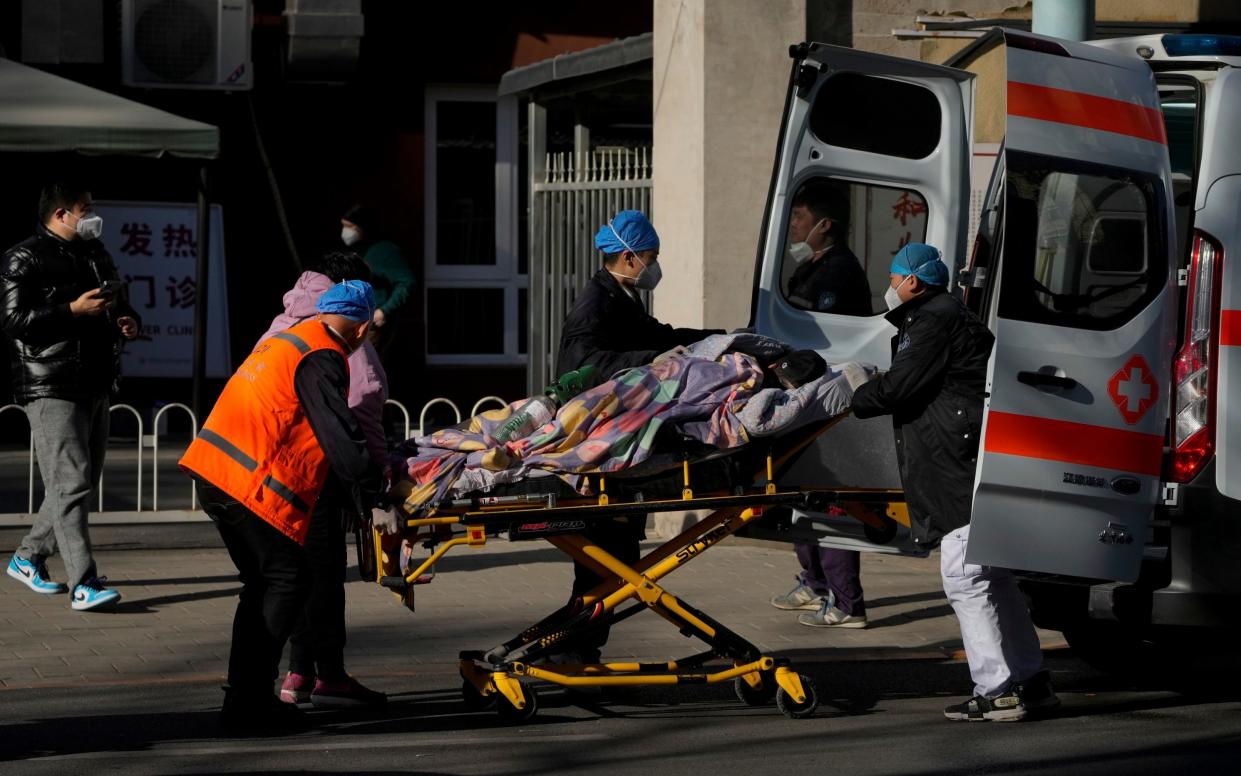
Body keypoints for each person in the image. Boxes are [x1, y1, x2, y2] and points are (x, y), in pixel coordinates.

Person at [850, 243, 1059, 722]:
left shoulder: (930, 320)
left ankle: (998, 690)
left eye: (893, 276)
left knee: (964, 576)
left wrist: (856, 397)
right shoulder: (946, 314)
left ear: (913, 283)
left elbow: (901, 386)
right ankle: (1032, 681)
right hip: (960, 447)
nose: (890, 285)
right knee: (995, 577)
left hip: (951, 458)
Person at [180, 281, 395, 734]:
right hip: (244, 481)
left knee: (265, 584)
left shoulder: (289, 338)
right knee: (285, 580)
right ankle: (248, 702)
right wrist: (374, 497)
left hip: (216, 469)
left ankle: (246, 698)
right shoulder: (322, 354)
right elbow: (340, 432)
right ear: (359, 328)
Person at [555, 209, 722, 661]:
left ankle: (580, 644)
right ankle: (576, 644)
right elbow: (582, 367)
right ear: (629, 258)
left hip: (619, 439)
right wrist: (653, 359)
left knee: (618, 549)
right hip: (601, 441)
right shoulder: (596, 305)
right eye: (652, 256)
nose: (655, 265)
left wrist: (719, 338)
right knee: (605, 553)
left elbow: (659, 336)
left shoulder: (622, 295)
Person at [255, 252, 390, 709]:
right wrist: (378, 486)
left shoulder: (282, 323)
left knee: (290, 576)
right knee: (321, 576)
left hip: (264, 474)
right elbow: (362, 412)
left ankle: (299, 674)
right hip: (312, 473)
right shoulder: (336, 333)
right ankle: (319, 676)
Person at [2, 180, 140, 611]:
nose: (92, 215)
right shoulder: (23, 257)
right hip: (50, 382)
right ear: (61, 214)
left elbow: (118, 301)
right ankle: (84, 582)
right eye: (85, 208)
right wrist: (71, 311)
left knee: (78, 483)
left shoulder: (95, 252)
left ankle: (28, 557)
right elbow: (13, 320)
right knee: (72, 481)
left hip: (95, 378)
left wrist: (127, 319)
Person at [785, 183, 872, 316]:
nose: (793, 223)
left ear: (824, 225)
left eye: (799, 216)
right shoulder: (815, 265)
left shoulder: (837, 272)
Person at [340, 205, 414, 355]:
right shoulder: (355, 250)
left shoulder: (385, 251)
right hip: (351, 322)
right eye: (343, 226)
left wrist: (384, 311)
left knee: (368, 369)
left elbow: (406, 282)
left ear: (363, 227)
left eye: (350, 226)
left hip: (372, 324)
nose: (345, 231)